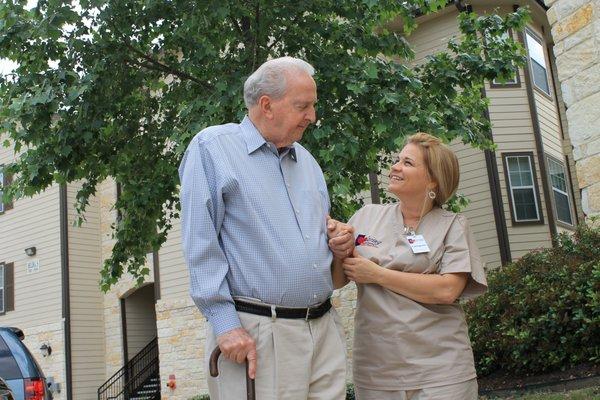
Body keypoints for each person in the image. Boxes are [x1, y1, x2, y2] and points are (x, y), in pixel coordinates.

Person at [179, 57, 352, 400]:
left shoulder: (309, 162)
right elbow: (200, 243)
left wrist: (337, 242)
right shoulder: (212, 148)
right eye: (303, 106)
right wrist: (224, 323)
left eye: (313, 106)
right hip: (256, 334)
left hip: (323, 330)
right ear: (266, 105)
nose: (312, 117)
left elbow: (314, 241)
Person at [329, 132, 487, 400]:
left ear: (433, 179)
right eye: (397, 160)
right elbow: (337, 280)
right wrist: (337, 251)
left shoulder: (453, 225)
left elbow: (447, 290)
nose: (395, 167)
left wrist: (377, 275)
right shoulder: (367, 217)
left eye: (408, 163)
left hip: (441, 371)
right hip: (378, 371)